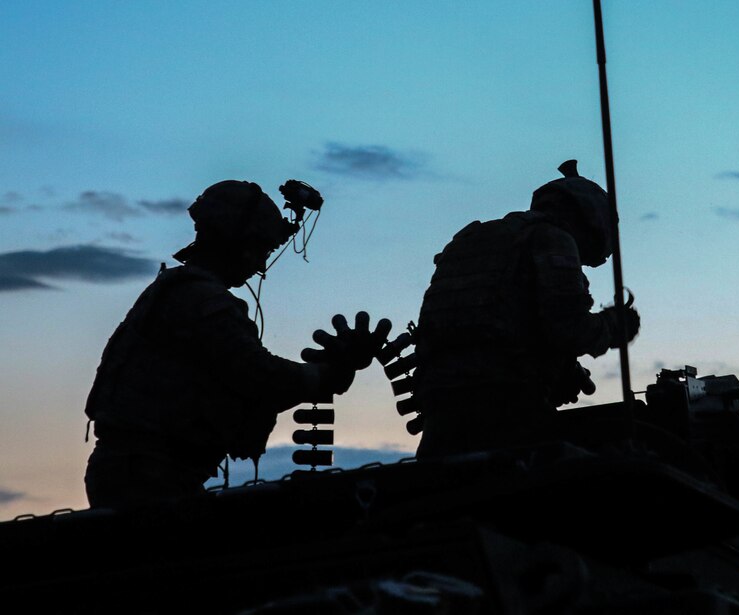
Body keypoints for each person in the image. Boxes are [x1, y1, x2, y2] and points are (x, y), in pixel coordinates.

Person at [83, 179, 391, 508]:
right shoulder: (199, 298)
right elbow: (259, 375)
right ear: (235, 242)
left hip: (148, 471)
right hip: (147, 475)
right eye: (260, 250)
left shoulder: (180, 290)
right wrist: (326, 375)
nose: (260, 265)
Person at [412, 160, 640, 457]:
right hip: (506, 407)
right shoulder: (553, 238)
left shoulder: (474, 239)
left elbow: (493, 319)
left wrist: (561, 368)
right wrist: (613, 325)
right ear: (589, 222)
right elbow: (569, 328)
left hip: (439, 406)